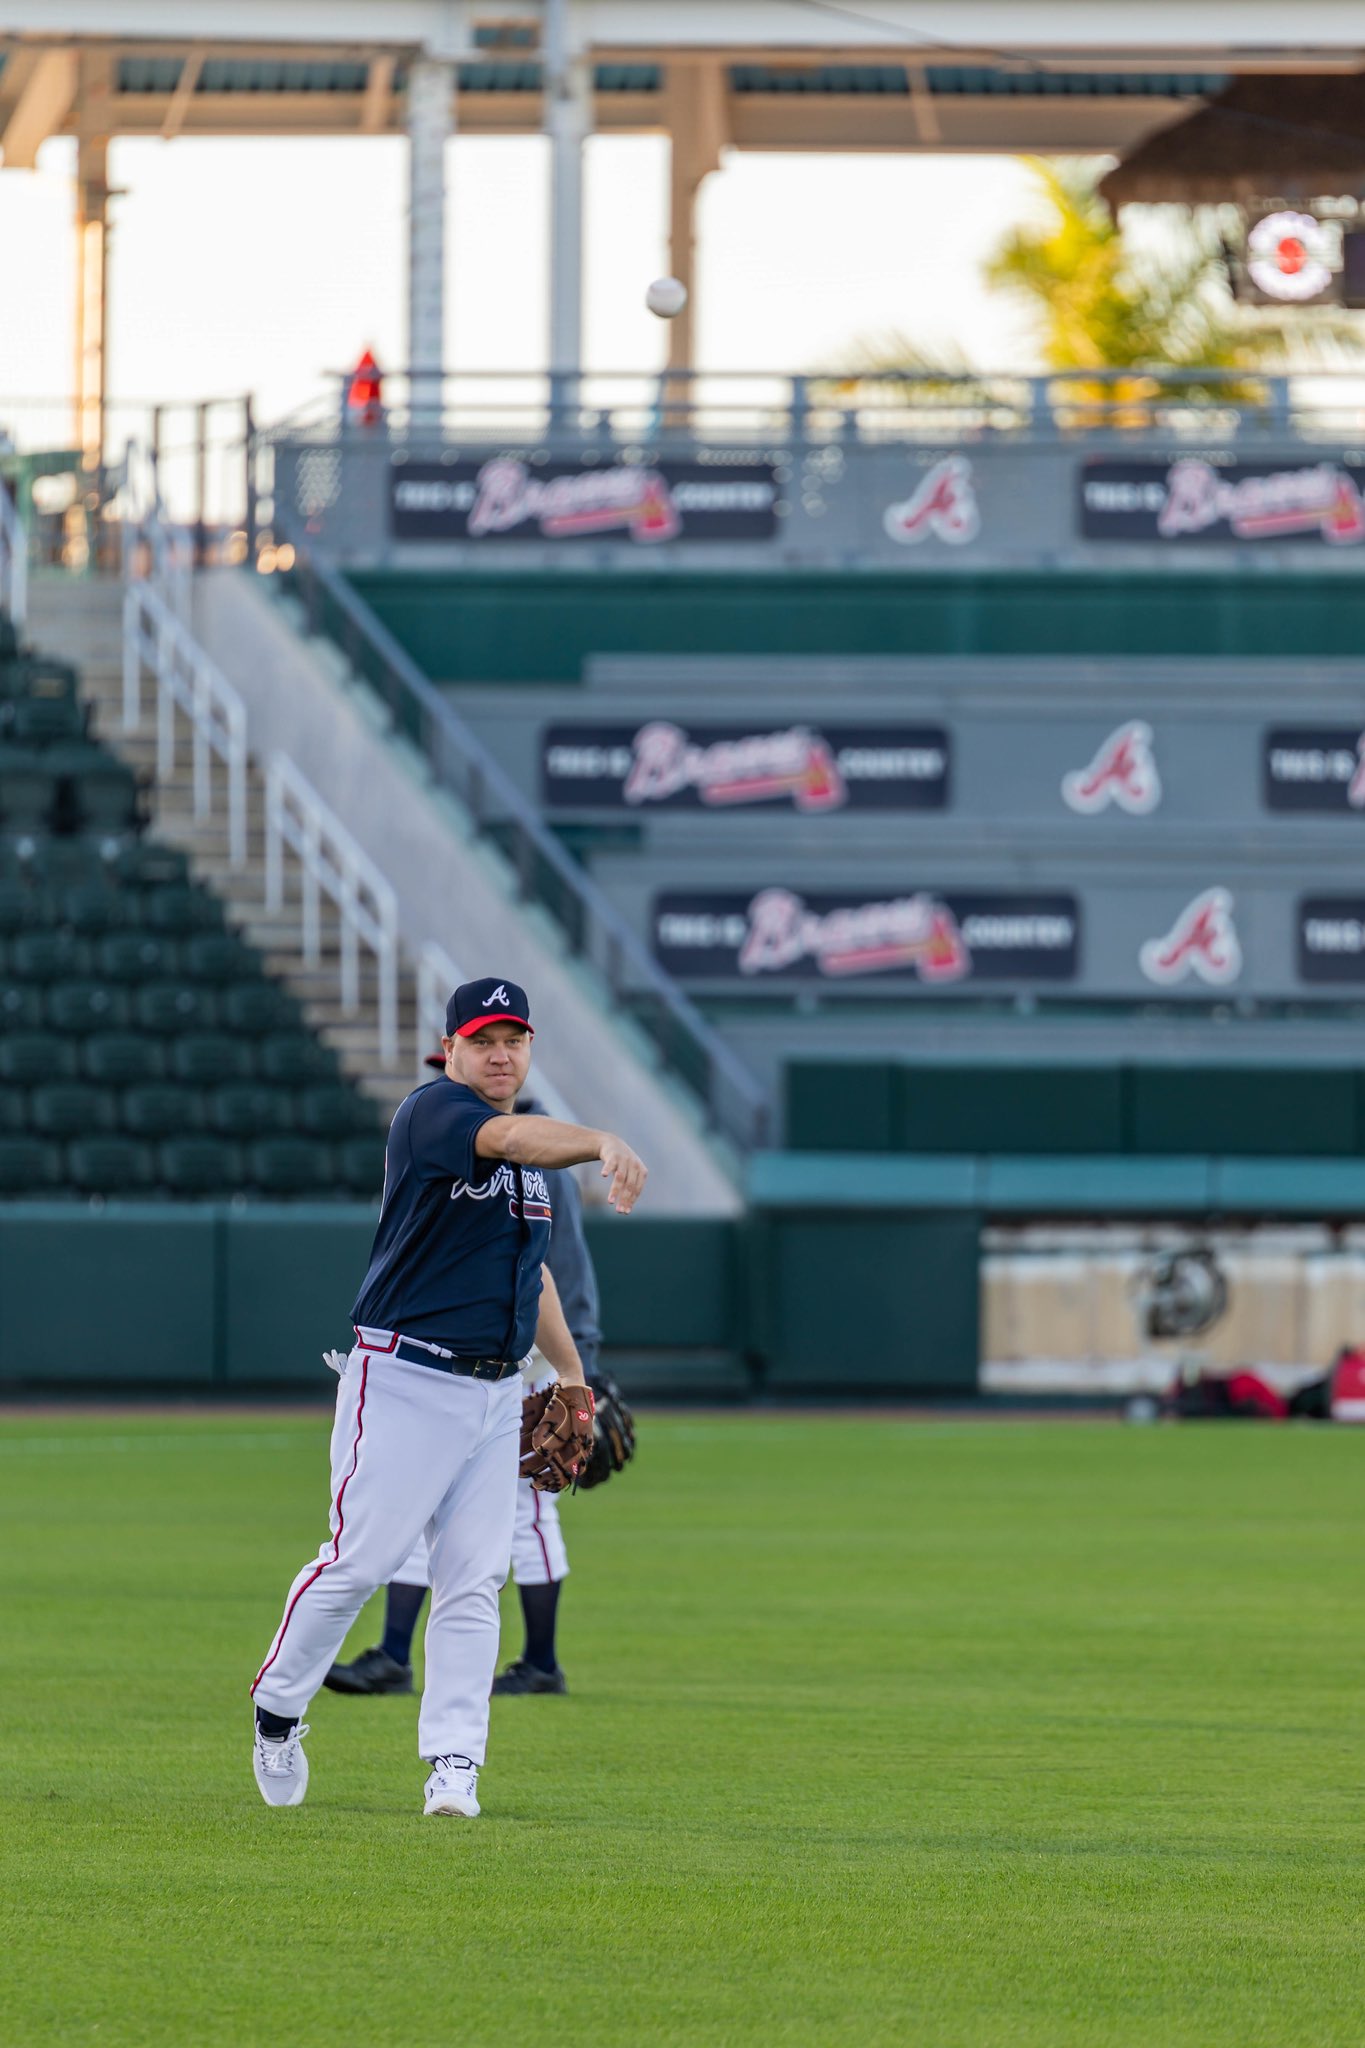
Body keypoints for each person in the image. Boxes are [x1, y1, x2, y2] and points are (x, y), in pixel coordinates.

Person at [248, 976, 646, 1819]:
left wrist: (569, 1375)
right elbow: (510, 1137)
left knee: (473, 1581)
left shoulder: (529, 1178)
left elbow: (531, 1273)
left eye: (514, 1040)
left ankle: (454, 1765)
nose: (500, 1054)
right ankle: (278, 1710)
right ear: (454, 1047)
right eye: (484, 1040)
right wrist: (602, 1140)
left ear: (529, 1047)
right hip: (404, 1381)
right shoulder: (436, 1115)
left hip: (497, 1392)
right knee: (358, 1562)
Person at [324, 1077, 603, 1699]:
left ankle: (540, 1662)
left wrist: (580, 1366)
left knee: (528, 1509)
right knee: (427, 1510)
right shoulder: (441, 1138)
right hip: (452, 1352)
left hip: (522, 1357)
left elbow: (559, 1267)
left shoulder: (540, 1153)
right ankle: (396, 1651)